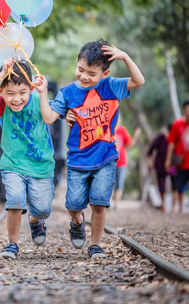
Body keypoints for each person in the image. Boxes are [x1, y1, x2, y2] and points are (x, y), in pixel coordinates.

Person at [37, 39, 145, 260]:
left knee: (99, 203)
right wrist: (42, 93)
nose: (84, 76)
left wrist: (124, 56)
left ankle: (95, 244)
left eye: (91, 73)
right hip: (78, 159)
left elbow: (139, 81)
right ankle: (77, 222)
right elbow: (48, 118)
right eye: (80, 69)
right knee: (74, 204)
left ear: (104, 74)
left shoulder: (112, 86)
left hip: (106, 157)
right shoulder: (67, 93)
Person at [0, 58, 55, 260]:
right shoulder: (1, 106)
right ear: (2, 93)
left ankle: (35, 220)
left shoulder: (38, 99)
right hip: (12, 163)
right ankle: (12, 243)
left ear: (30, 88)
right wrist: (1, 73)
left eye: (22, 92)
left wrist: (43, 92)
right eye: (10, 93)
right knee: (14, 200)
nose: (16, 99)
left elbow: (49, 116)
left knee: (42, 209)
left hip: (41, 164)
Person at [147, 125, 178, 212]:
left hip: (173, 165)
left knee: (175, 186)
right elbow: (150, 149)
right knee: (161, 186)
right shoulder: (161, 137)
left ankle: (174, 206)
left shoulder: (176, 137)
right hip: (160, 165)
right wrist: (149, 161)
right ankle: (163, 204)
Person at [113, 119, 140, 209]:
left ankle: (116, 204)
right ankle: (109, 203)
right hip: (109, 163)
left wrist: (136, 135)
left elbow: (130, 143)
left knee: (119, 184)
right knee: (109, 184)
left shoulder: (122, 130)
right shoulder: (108, 129)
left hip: (121, 163)